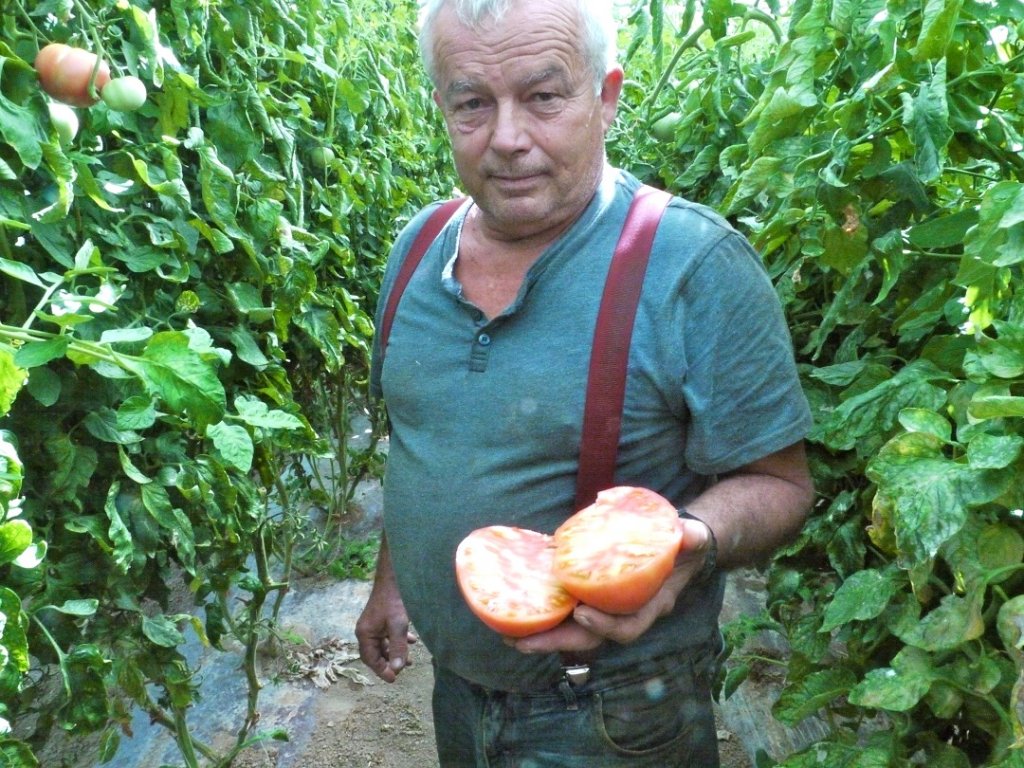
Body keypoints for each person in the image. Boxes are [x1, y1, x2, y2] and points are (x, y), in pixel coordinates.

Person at [355, 0, 815, 765]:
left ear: (606, 97)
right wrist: (393, 583)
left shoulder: (693, 267)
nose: (507, 138)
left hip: (617, 713)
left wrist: (689, 546)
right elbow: (421, 437)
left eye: (544, 96)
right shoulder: (415, 249)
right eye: (473, 102)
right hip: (459, 693)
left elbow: (782, 484)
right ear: (441, 106)